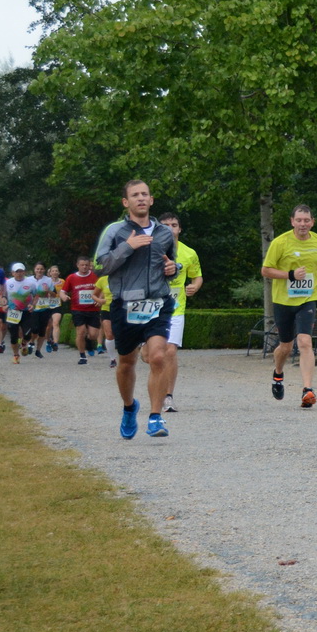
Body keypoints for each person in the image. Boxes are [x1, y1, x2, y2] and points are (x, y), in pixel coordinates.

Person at [94, 180, 178, 439]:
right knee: (127, 363)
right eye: (135, 195)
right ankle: (130, 407)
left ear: (151, 200)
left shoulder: (164, 233)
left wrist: (174, 269)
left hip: (158, 303)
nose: (141, 198)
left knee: (158, 357)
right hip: (125, 305)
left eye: (145, 194)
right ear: (126, 202)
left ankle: (155, 417)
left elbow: (171, 265)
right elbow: (100, 267)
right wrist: (128, 247)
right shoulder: (116, 231)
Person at [262, 204, 317, 408]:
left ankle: (307, 390)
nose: (303, 224)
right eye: (299, 220)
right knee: (285, 346)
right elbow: (265, 270)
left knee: (304, 342)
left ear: (312, 222)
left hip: (307, 299)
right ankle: (278, 374)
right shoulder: (280, 242)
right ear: (292, 221)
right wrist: (290, 275)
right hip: (283, 301)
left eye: (307, 220)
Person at [157, 213, 202, 412]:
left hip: (175, 309)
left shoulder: (189, 253)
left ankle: (168, 396)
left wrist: (194, 286)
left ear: (179, 229)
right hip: (150, 310)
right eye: (165, 225)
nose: (170, 228)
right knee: (150, 355)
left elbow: (197, 277)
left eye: (173, 225)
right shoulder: (148, 250)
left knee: (170, 351)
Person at [63, 256, 103, 364]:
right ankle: (82, 356)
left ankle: (89, 342)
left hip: (93, 309)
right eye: (82, 265)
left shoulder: (95, 276)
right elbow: (63, 291)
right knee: (80, 332)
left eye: (86, 265)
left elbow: (102, 288)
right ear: (77, 265)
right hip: (78, 309)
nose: (84, 267)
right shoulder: (71, 278)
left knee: (94, 335)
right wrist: (64, 297)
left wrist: (99, 299)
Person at [2, 263, 23, 362]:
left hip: (26, 310)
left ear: (24, 272)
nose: (19, 273)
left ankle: (24, 342)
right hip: (12, 311)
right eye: (17, 271)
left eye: (21, 271)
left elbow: (35, 295)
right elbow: (4, 295)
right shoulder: (8, 282)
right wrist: (4, 302)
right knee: (13, 334)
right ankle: (16, 355)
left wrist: (32, 304)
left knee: (27, 333)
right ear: (13, 273)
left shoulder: (30, 282)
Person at [40, 264, 64, 352]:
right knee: (48, 326)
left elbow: (65, 292)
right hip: (47, 305)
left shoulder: (62, 281)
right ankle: (48, 341)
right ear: (49, 273)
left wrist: (64, 296)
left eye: (56, 271)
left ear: (59, 273)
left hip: (57, 305)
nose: (55, 272)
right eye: (53, 271)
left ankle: (55, 343)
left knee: (56, 323)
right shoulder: (46, 281)